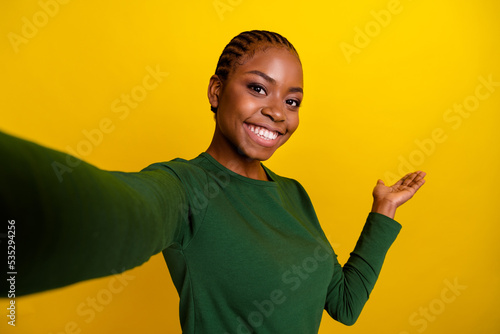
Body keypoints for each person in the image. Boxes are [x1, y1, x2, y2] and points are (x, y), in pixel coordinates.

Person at [0, 30, 426, 333]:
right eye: (259, 88)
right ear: (216, 91)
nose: (279, 112)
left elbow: (344, 305)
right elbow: (119, 212)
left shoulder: (293, 194)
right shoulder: (183, 188)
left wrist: (383, 211)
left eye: (292, 100)